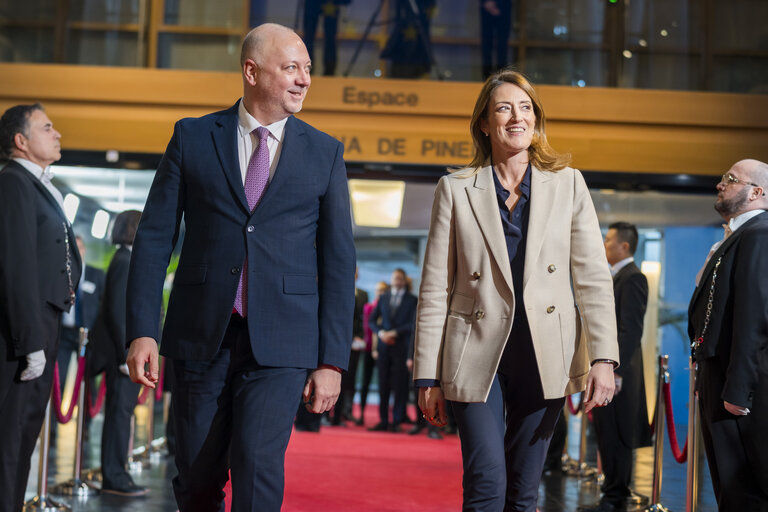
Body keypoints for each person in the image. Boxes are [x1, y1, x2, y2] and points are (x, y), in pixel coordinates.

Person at [124, 23, 356, 512]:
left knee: (257, 464)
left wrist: (331, 360)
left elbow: (338, 263)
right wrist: (142, 330)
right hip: (199, 336)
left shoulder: (325, 152)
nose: (304, 80)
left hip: (284, 343)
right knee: (197, 475)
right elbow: (153, 239)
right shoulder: (191, 137)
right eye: (291, 67)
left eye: (308, 70)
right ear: (251, 71)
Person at [413, 69, 618, 511]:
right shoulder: (455, 189)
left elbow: (593, 277)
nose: (516, 118)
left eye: (525, 108)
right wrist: (427, 376)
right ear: (484, 123)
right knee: (486, 484)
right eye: (503, 108)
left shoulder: (568, 184)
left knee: (523, 492)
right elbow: (434, 289)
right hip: (473, 351)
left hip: (546, 354)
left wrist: (604, 357)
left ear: (536, 120)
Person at [0, 103, 82, 512]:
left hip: (45, 323)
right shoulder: (14, 182)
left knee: (26, 434)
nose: (58, 134)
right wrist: (30, 340)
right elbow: (16, 265)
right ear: (21, 141)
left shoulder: (39, 184)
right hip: (23, 333)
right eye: (47, 127)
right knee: (10, 439)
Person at [688, 159, 768, 511]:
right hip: (717, 378)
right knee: (727, 492)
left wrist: (738, 389)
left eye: (731, 179)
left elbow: (754, 316)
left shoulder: (760, 233)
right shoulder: (738, 236)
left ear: (757, 192)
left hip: (734, 386)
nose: (721, 184)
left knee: (743, 493)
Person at [587, 222, 652, 512]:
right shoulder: (615, 276)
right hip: (607, 369)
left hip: (617, 373)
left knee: (617, 434)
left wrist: (614, 369)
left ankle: (616, 497)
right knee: (605, 433)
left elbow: (629, 331)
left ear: (624, 246)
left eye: (609, 239)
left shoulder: (633, 277)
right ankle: (610, 493)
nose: (605, 243)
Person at [88, 210, 148, 497]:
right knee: (118, 416)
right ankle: (115, 476)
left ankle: (116, 473)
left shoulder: (123, 258)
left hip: (120, 354)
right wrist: (127, 354)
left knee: (120, 414)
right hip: (121, 356)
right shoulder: (125, 261)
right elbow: (118, 313)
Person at [368, 268, 418, 432]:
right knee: (383, 384)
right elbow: (372, 320)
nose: (397, 281)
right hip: (384, 347)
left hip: (401, 347)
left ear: (404, 280)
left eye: (399, 278)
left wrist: (395, 333)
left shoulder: (412, 300)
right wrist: (381, 333)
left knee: (400, 386)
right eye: (394, 278)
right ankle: (383, 420)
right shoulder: (384, 297)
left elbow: (413, 324)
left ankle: (396, 421)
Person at [56, 235, 105, 392]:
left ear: (84, 250)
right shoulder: (60, 273)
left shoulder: (96, 274)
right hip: (63, 332)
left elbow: (103, 304)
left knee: (88, 379)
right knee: (59, 379)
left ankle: (88, 416)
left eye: (79, 247)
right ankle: (55, 417)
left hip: (86, 335)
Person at [332, 268, 368, 425]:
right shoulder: (337, 288)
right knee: (334, 376)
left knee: (350, 378)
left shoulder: (363, 294)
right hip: (338, 340)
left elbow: (364, 319)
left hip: (355, 343)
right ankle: (330, 415)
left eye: (355, 272)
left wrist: (359, 337)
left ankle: (345, 412)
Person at [356, 280, 389, 425]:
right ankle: (361, 414)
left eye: (382, 290)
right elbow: (366, 327)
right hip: (368, 348)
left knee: (384, 384)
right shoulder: (368, 307)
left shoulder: (387, 308)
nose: (379, 292)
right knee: (364, 383)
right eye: (377, 290)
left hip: (382, 350)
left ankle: (384, 417)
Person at [303, 0, 348, 76]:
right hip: (315, 3)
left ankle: (329, 71)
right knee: (309, 38)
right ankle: (307, 69)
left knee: (329, 37)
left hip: (330, 2)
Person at [479, 0, 515, 79]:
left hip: (504, 8)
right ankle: (486, 80)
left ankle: (502, 79)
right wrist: (486, 3)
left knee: (502, 47)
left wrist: (498, 3)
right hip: (485, 8)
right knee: (486, 46)